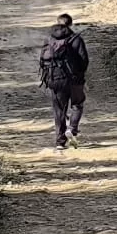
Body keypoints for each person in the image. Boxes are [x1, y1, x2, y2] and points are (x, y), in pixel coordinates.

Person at [38, 14, 90, 150]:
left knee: (59, 110)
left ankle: (60, 142)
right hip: (74, 80)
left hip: (55, 79)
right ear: (70, 24)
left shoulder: (49, 39)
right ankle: (72, 129)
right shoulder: (76, 39)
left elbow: (43, 61)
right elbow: (84, 61)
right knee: (77, 105)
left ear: (57, 23)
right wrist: (80, 75)